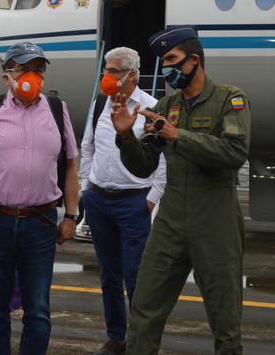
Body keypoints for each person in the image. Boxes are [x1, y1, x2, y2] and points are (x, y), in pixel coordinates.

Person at [110, 27, 251, 354]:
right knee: (144, 310)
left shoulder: (230, 100)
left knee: (225, 320)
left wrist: (178, 136)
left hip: (215, 222)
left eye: (172, 60)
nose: (167, 67)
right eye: (163, 61)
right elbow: (144, 165)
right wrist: (126, 137)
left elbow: (234, 153)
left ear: (194, 60)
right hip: (171, 222)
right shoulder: (167, 104)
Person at [0, 42, 80, 355]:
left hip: (40, 223)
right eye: (25, 68)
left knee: (37, 309)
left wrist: (70, 215)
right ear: (7, 74)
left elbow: (71, 166)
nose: (33, 75)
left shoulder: (56, 108)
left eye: (39, 69)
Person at [79, 47, 166, 355]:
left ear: (132, 74)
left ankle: (139, 339)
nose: (107, 76)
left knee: (136, 275)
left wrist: (152, 199)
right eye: (106, 69)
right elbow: (87, 146)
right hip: (99, 200)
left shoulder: (152, 106)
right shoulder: (100, 103)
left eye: (113, 70)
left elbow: (163, 159)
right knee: (109, 276)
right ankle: (116, 337)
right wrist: (85, 188)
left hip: (134, 203)